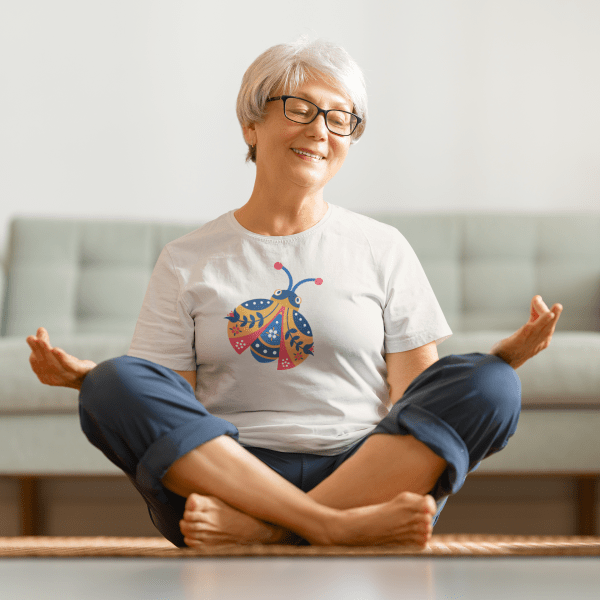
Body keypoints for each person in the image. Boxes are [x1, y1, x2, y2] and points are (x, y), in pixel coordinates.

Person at [26, 38, 562, 549]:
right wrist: (88, 379)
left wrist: (499, 361)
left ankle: (268, 533)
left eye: (340, 117)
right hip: (230, 480)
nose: (321, 130)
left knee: (494, 384)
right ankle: (334, 528)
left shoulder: (383, 247)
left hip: (364, 471)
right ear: (250, 124)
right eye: (300, 108)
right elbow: (176, 411)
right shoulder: (187, 258)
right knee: (112, 383)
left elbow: (417, 401)